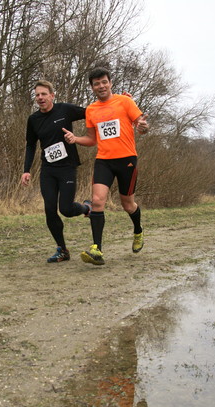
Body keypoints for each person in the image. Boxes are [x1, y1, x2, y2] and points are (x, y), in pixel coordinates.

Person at [62, 67, 149, 265]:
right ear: (92, 87)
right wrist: (75, 138)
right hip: (104, 160)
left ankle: (138, 230)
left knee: (128, 204)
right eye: (96, 84)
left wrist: (143, 127)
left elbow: (141, 125)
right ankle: (97, 250)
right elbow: (92, 140)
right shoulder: (91, 110)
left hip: (127, 159)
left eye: (104, 82)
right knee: (97, 200)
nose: (101, 86)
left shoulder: (125, 101)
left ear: (110, 82)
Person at [21, 80, 91, 263]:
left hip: (67, 167)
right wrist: (26, 170)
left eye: (44, 94)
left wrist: (117, 102)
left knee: (66, 209)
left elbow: (91, 112)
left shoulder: (64, 110)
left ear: (52, 95)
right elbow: (30, 145)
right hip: (48, 169)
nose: (40, 98)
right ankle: (62, 250)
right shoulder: (33, 119)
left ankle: (86, 208)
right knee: (50, 210)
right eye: (37, 95)